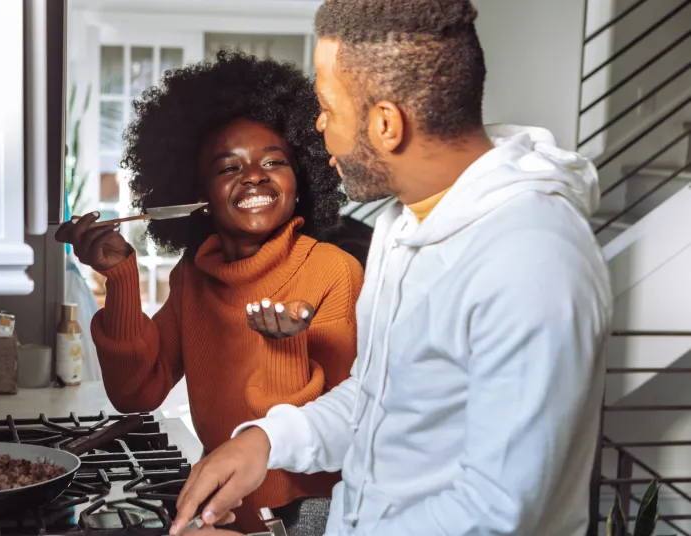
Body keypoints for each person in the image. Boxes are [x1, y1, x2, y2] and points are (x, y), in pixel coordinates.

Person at [170, 1, 613, 535]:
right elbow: (380, 399)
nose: (319, 126)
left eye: (329, 108)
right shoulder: (403, 226)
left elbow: (498, 514)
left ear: (385, 125)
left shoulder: (532, 259)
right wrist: (266, 441)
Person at [55, 51, 364, 534]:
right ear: (196, 195)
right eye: (228, 167)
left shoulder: (334, 272)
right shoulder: (193, 278)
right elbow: (136, 393)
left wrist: (283, 347)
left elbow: (346, 429)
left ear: (301, 180)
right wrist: (120, 279)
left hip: (307, 521)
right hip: (219, 513)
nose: (254, 175)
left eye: (274, 161)